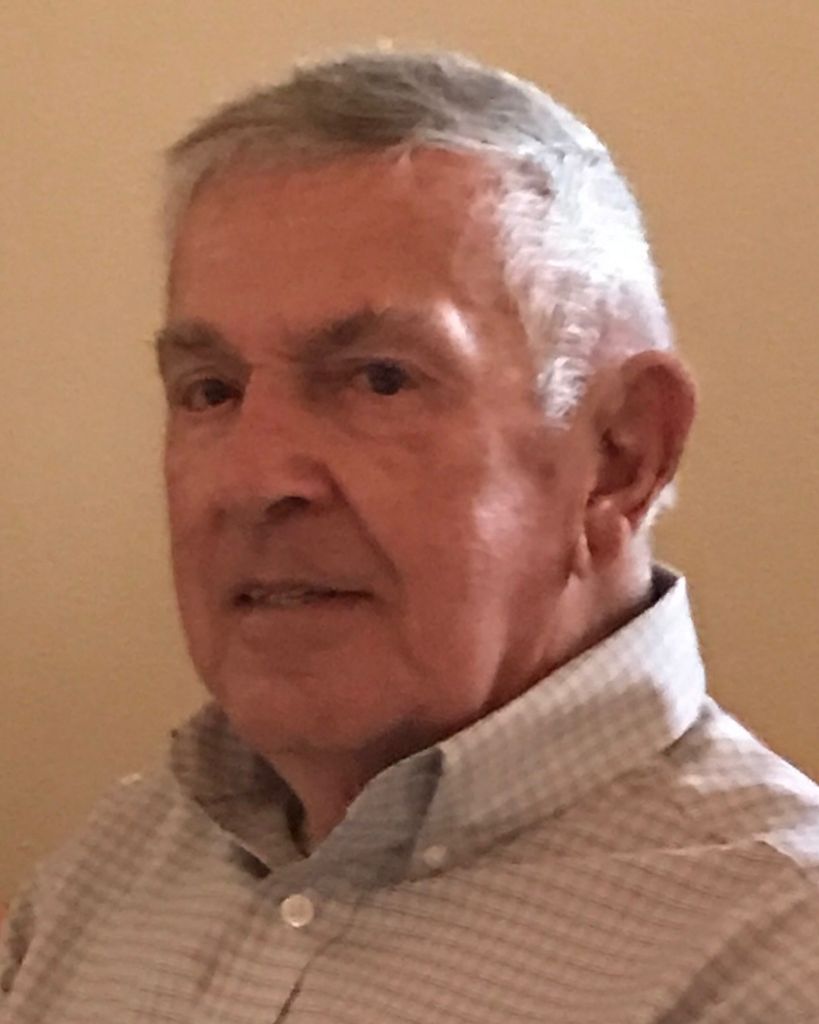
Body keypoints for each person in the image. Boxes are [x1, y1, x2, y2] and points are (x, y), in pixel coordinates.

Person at [2, 49, 818, 1024]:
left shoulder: (776, 963)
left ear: (620, 455)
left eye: (380, 379)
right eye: (210, 390)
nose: (251, 481)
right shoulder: (110, 872)